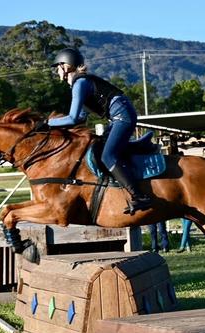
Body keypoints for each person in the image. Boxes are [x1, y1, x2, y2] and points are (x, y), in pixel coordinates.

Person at [49, 48, 152, 214]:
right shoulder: (79, 83)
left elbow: (73, 118)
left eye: (58, 66)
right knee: (97, 148)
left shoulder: (80, 83)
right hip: (120, 116)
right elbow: (81, 117)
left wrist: (48, 123)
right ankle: (138, 146)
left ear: (66, 66)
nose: (56, 71)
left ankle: (139, 196)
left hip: (121, 117)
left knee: (107, 156)